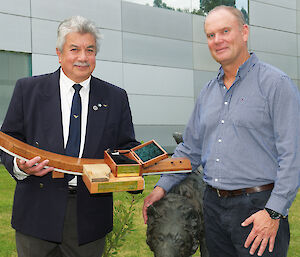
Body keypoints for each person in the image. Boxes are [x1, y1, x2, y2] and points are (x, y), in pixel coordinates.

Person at [143, 5, 300, 257]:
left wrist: (273, 212)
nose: (218, 40)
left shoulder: (276, 85)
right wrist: (161, 187)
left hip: (257, 210)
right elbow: (189, 149)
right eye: (211, 35)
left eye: (225, 31)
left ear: (244, 32)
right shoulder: (208, 92)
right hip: (213, 208)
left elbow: (293, 156)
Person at [0, 16, 139, 257]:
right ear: (59, 53)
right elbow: (8, 139)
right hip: (36, 213)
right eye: (74, 49)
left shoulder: (116, 97)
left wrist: (139, 161)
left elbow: (126, 145)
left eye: (90, 50)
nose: (82, 57)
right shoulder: (28, 90)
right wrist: (19, 166)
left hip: (89, 219)